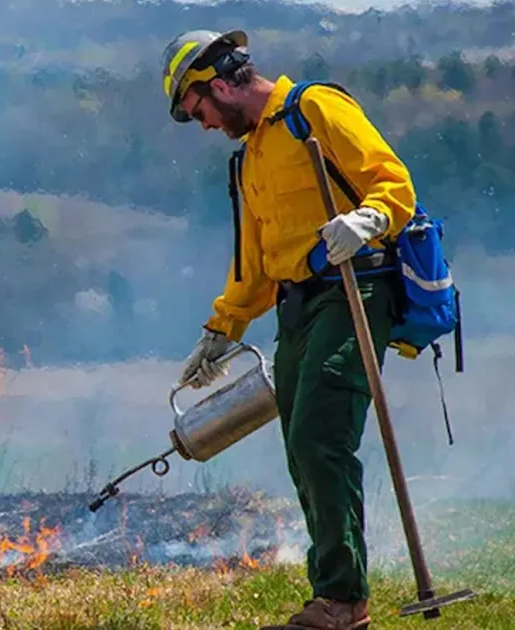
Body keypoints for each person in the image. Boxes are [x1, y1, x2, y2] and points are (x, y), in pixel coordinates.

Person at [161, 29, 417, 630]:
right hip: (297, 308)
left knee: (318, 438)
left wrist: (368, 217)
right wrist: (221, 330)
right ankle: (335, 593)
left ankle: (343, 602)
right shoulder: (248, 159)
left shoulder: (315, 109)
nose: (204, 124)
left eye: (199, 110)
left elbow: (394, 181)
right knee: (301, 450)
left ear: (220, 83)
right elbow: (254, 265)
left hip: (356, 286)